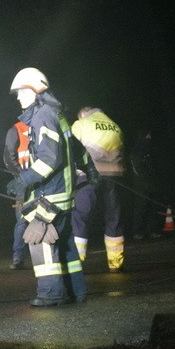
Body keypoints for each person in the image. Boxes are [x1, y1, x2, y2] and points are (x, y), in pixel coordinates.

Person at [5, 67, 86, 307]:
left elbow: (50, 158)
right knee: (66, 244)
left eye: (21, 92)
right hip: (65, 196)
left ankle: (51, 294)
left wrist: (23, 180)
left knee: (41, 239)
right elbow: (78, 151)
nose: (18, 98)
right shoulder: (58, 115)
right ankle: (76, 291)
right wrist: (90, 171)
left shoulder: (43, 116)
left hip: (50, 196)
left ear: (34, 90)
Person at [70, 106, 126, 272]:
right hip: (115, 177)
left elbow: (72, 148)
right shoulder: (114, 125)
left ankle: (77, 262)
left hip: (89, 175)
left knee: (81, 216)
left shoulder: (82, 124)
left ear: (82, 114)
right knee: (113, 218)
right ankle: (116, 263)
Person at [2, 121, 31, 269]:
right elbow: (8, 157)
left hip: (41, 179)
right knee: (22, 220)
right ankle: (18, 258)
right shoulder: (16, 129)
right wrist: (20, 177)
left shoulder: (41, 124)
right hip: (23, 183)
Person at [127, 129, 163, 239]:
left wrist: (155, 179)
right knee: (140, 208)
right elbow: (137, 168)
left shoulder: (151, 150)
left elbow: (154, 166)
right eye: (147, 135)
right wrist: (145, 179)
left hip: (152, 183)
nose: (149, 138)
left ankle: (151, 230)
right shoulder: (137, 150)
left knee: (153, 207)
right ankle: (136, 231)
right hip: (141, 184)